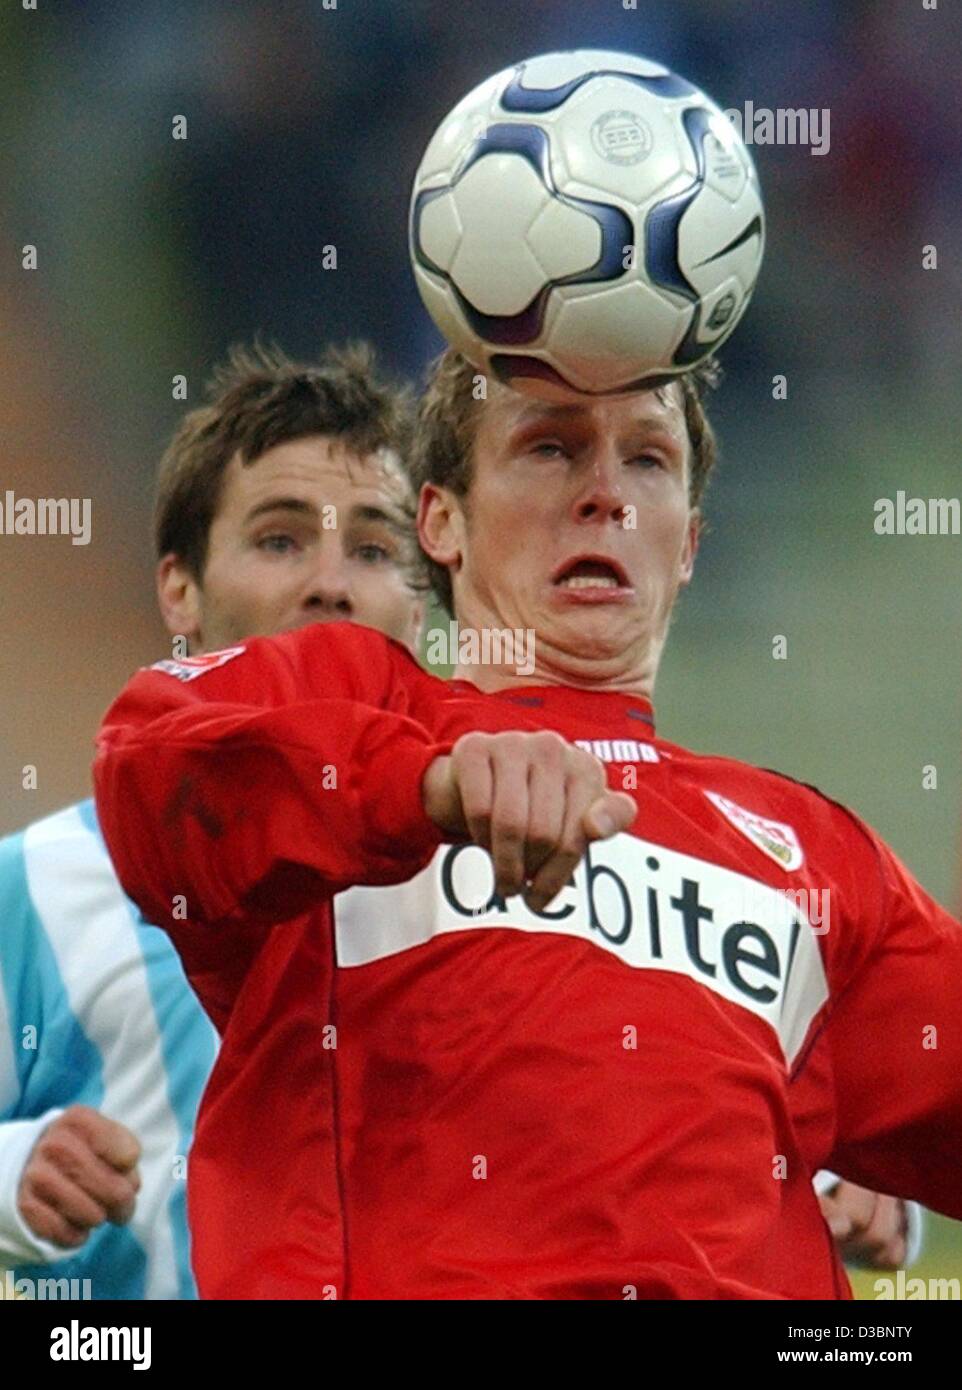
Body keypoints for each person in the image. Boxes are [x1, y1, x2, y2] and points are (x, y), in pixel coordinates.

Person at [92, 350, 953, 1299]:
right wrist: (427, 786)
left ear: (692, 544)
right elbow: (152, 773)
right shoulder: (361, 710)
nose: (606, 499)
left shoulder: (812, 852)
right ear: (442, 522)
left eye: (648, 461)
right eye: (550, 447)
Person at [0, 341, 426, 1297]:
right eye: (279, 540)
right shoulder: (35, 888)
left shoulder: (502, 878)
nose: (331, 583)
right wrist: (9, 1179)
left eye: (375, 548)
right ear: (178, 590)